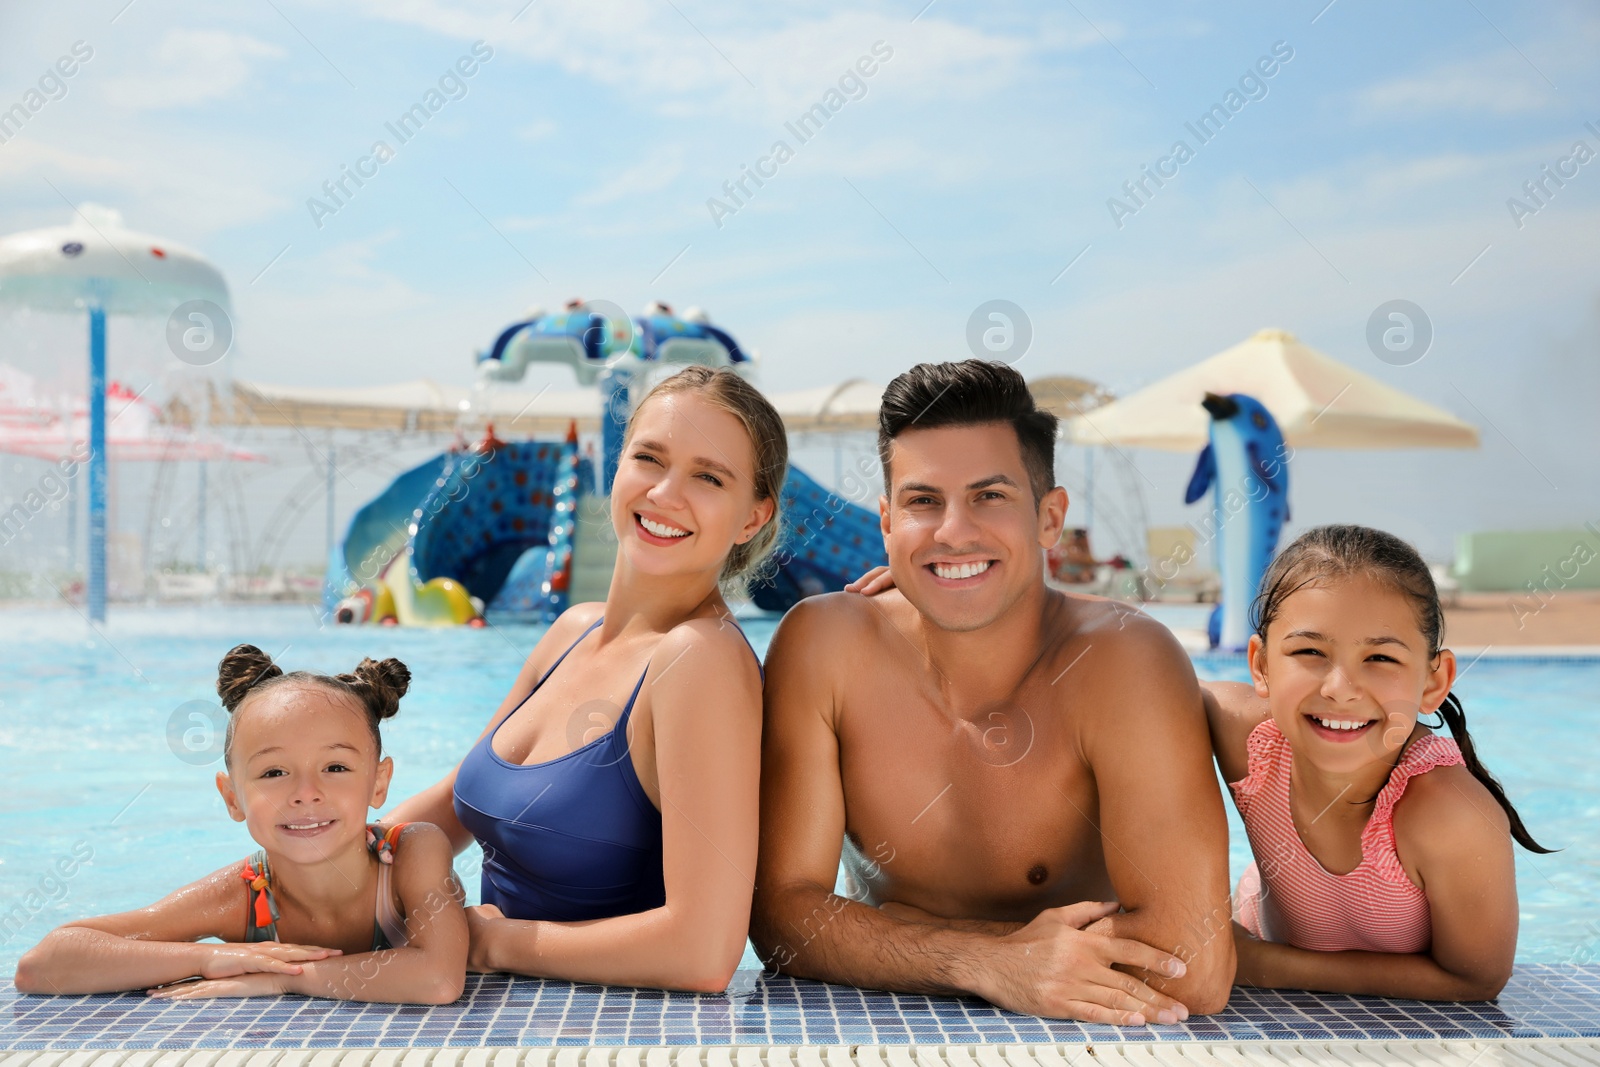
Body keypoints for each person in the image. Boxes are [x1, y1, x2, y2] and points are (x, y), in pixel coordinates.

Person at [752, 359, 1235, 1024]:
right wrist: (991, 961)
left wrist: (892, 935)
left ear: (1048, 516)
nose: (953, 531)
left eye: (990, 496)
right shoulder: (825, 645)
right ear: (887, 523)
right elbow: (781, 919)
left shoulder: (1122, 662)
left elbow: (1196, 967)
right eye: (925, 501)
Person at [382, 365, 785, 992]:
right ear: (617, 468)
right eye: (649, 458)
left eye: (709, 477)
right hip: (490, 1012)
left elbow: (703, 953)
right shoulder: (572, 630)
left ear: (752, 518)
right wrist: (315, 866)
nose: (665, 493)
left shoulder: (697, 661)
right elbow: (450, 804)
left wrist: (490, 943)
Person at [1201, 524, 1551, 1000]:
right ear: (1261, 665)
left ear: (1433, 682)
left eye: (1381, 658)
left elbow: (1475, 978)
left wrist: (1262, 963)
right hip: (1252, 918)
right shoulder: (1244, 735)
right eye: (1309, 652)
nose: (1340, 688)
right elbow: (1118, 701)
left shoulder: (1449, 815)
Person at [14, 646, 467, 1003]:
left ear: (379, 783)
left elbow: (439, 979)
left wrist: (284, 980)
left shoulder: (411, 853)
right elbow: (44, 963)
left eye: (335, 768)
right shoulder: (242, 898)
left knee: (488, 935)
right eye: (274, 773)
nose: (305, 792)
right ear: (233, 797)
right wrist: (213, 956)